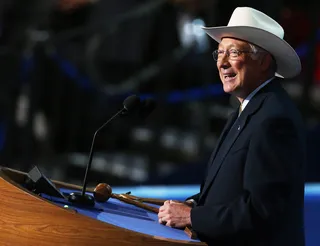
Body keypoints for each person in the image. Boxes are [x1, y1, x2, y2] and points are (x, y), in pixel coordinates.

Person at [158, 7, 306, 246]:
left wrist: (192, 216)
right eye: (220, 53)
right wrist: (193, 204)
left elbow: (261, 210)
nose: (223, 63)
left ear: (264, 61)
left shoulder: (275, 120)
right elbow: (228, 192)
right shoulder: (246, 110)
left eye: (234, 52)